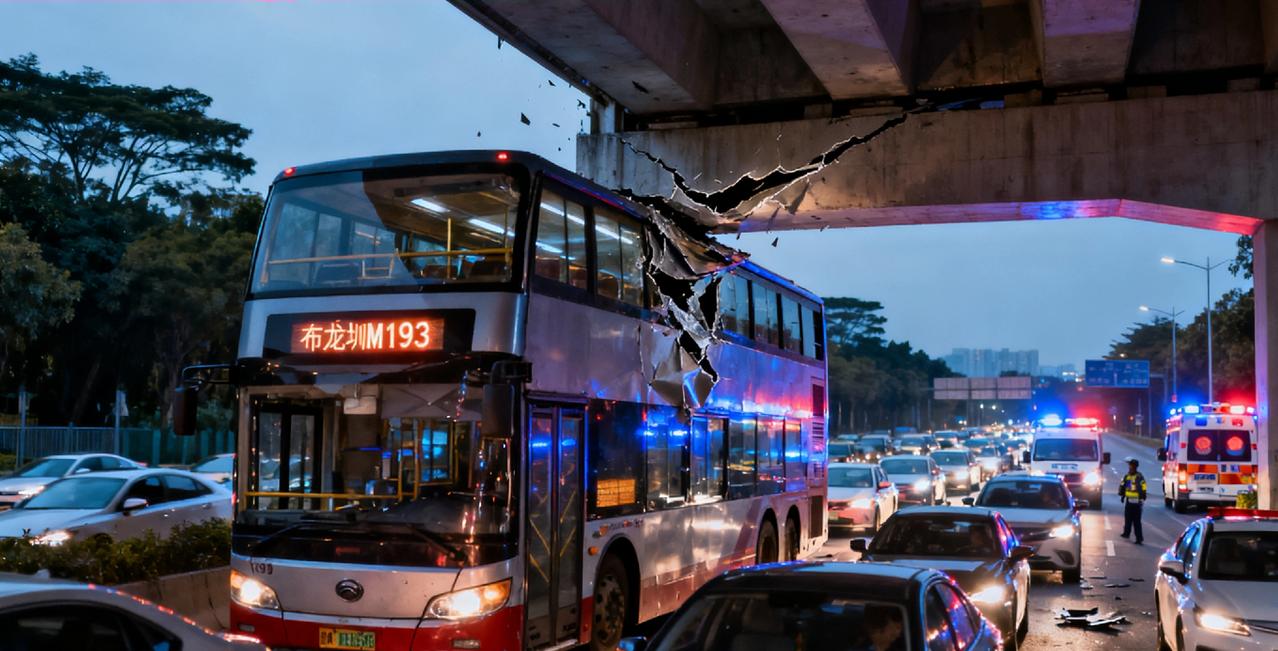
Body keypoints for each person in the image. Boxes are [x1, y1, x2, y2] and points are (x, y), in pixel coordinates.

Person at [1119, 457, 1147, 544]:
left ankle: (1139, 538)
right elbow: (1124, 486)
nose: (1130, 468)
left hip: (1137, 502)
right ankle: (1126, 533)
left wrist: (1143, 495)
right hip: (1129, 501)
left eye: (1131, 466)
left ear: (1135, 467)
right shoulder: (1128, 477)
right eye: (1129, 466)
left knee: (1136, 521)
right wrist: (1123, 495)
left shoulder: (1139, 477)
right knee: (1128, 518)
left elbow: (1143, 486)